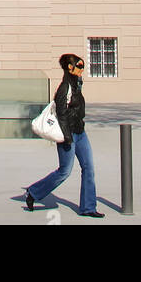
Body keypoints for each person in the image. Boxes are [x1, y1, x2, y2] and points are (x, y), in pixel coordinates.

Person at [25, 53, 103, 217]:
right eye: (79, 66)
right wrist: (67, 137)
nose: (83, 69)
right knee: (64, 171)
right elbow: (61, 114)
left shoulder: (77, 84)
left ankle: (88, 208)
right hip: (68, 135)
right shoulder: (64, 88)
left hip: (80, 132)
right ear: (70, 67)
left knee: (89, 168)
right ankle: (33, 192)